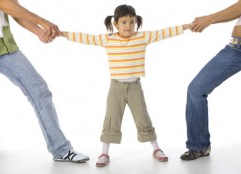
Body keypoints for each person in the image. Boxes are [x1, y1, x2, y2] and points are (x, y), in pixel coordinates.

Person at [59, 4, 191, 167]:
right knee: (111, 118)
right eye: (124, 22)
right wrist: (61, 33)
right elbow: (85, 37)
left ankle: (156, 149)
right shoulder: (108, 39)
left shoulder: (142, 37)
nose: (128, 26)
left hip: (135, 87)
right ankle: (104, 153)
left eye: (131, 22)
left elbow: (165, 32)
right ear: (115, 23)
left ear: (136, 22)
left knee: (143, 117)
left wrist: (187, 26)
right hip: (116, 88)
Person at [0, 0, 89, 162]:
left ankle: (61, 149)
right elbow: (4, 4)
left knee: (40, 92)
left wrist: (37, 31)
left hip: (6, 48)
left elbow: (14, 9)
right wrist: (42, 22)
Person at [180, 0, 241, 160]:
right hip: (237, 49)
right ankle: (199, 146)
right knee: (196, 90)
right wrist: (208, 20)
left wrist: (209, 19)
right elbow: (240, 10)